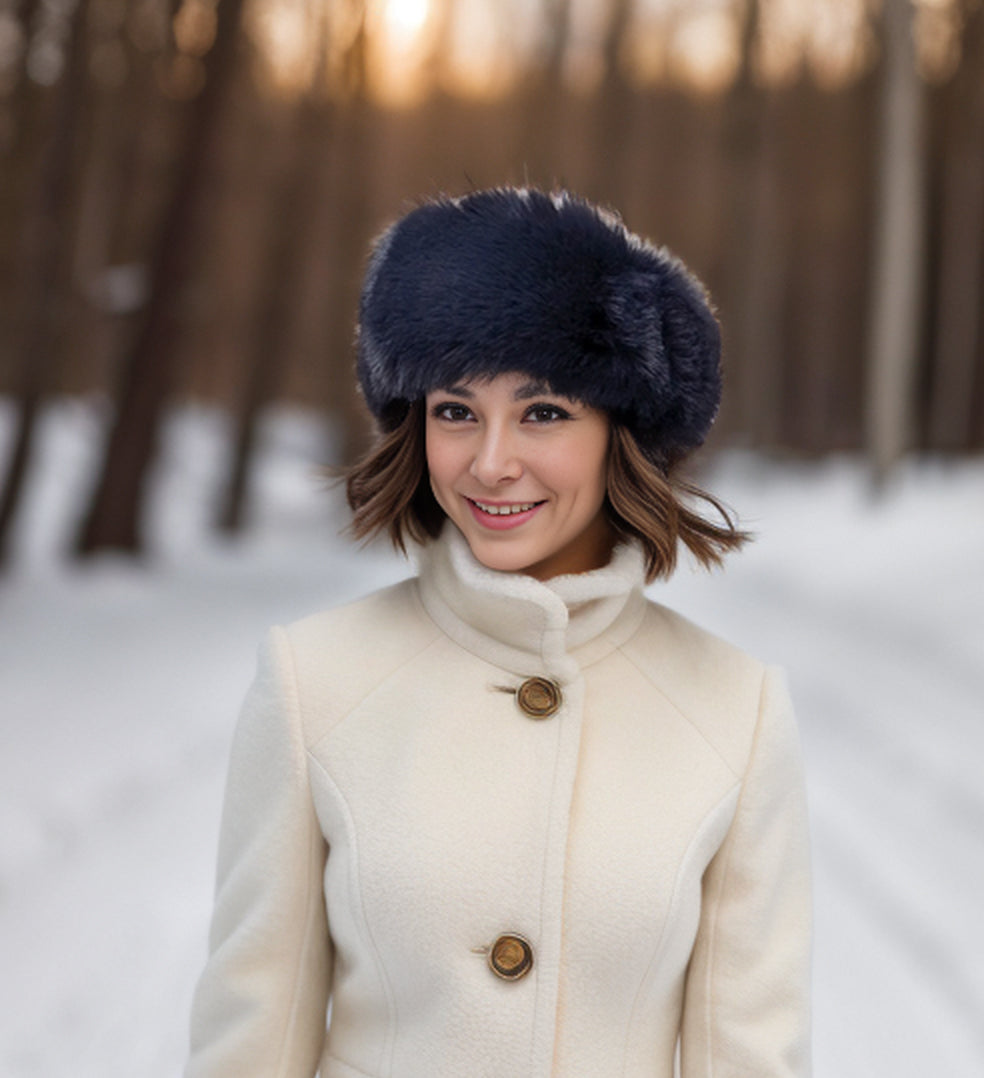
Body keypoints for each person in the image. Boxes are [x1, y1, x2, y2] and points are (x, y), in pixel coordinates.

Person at [185, 187, 812, 1078]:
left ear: (619, 433)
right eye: (456, 410)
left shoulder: (736, 710)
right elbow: (249, 1036)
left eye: (544, 412)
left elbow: (753, 1051)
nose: (490, 462)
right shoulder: (310, 682)